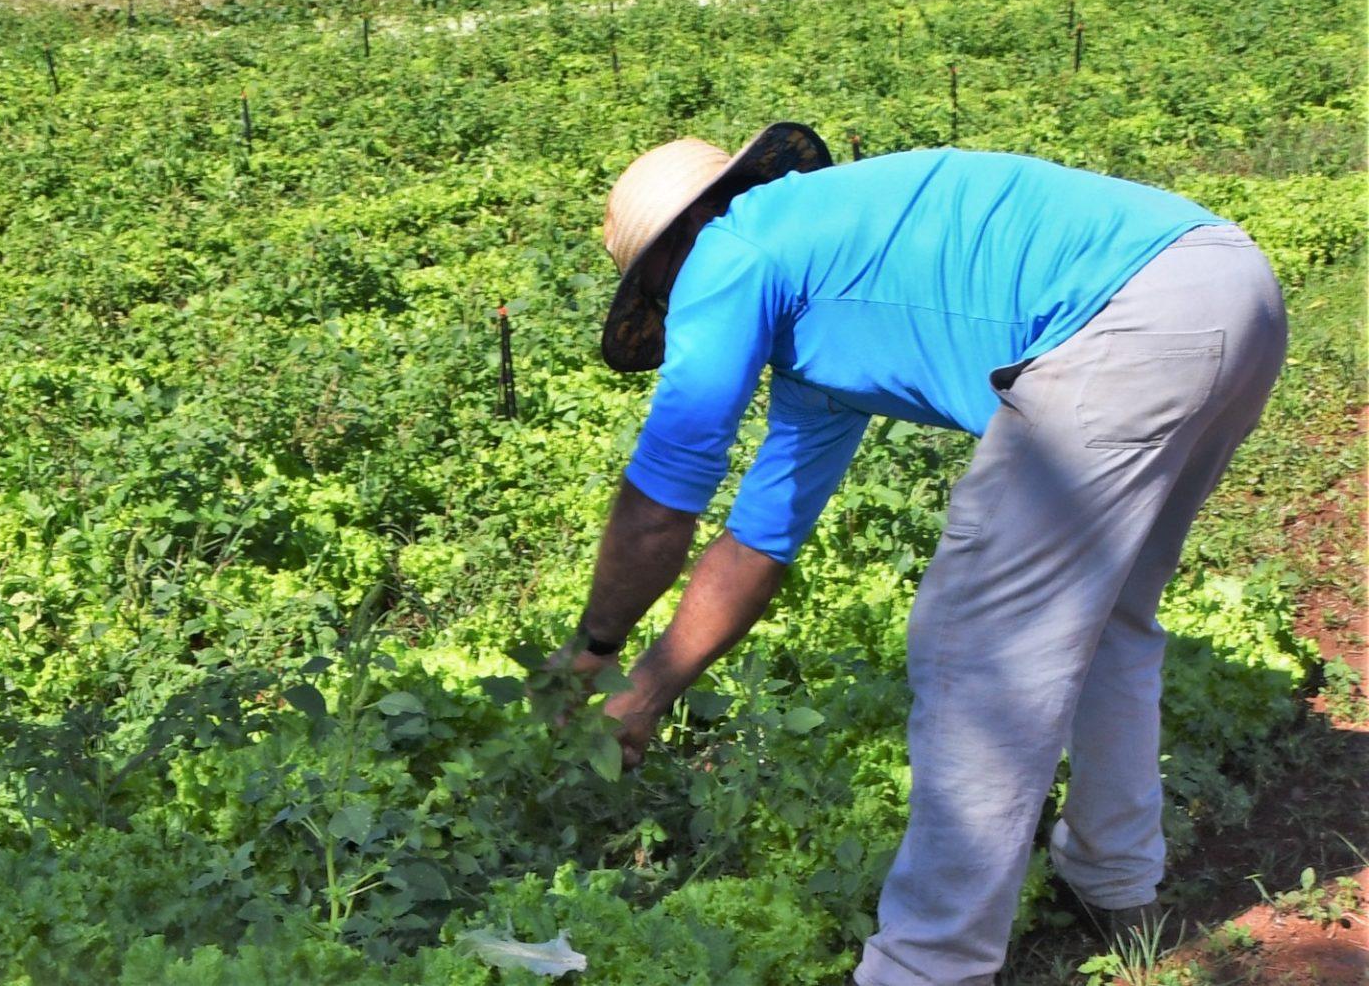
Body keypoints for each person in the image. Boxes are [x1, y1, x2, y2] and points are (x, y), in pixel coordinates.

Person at [542, 123, 1287, 986]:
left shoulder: (728, 249)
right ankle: (1111, 879)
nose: (674, 315)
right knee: (1109, 613)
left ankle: (929, 966)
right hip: (1227, 284)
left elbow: (659, 507)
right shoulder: (814, 300)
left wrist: (592, 648)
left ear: (678, 247)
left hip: (1126, 317)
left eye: (658, 296)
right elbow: (756, 542)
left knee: (975, 644)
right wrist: (647, 688)